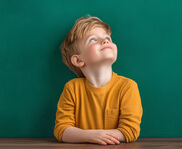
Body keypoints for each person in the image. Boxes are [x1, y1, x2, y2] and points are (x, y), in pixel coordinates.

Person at [54, 15, 143, 145]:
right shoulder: (72, 88)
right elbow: (61, 130)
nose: (105, 41)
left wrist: (100, 136)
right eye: (93, 40)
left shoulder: (128, 87)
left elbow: (130, 130)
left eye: (107, 38)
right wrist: (89, 136)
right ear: (78, 60)